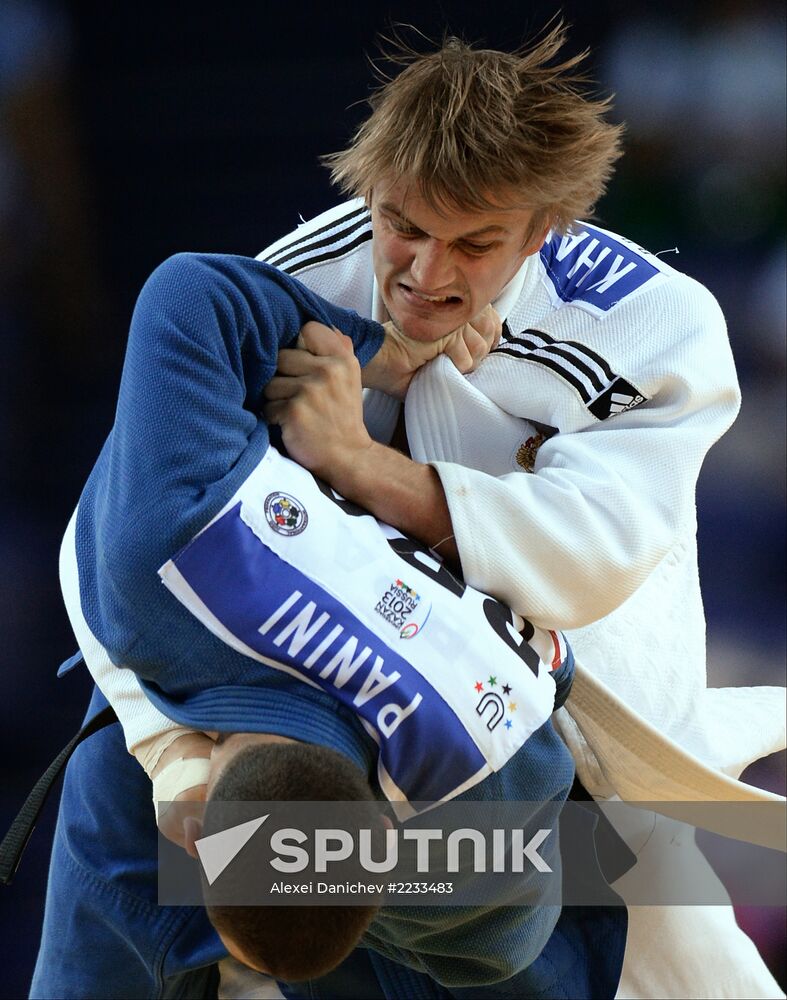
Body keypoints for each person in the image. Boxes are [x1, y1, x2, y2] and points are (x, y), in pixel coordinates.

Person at [31, 21, 785, 1000]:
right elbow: (111, 525)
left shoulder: (651, 320)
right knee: (116, 792)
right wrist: (175, 758)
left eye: (473, 244)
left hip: (569, 746)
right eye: (405, 226)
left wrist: (355, 460)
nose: (425, 273)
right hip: (322, 714)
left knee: (533, 902)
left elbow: (591, 556)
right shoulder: (299, 275)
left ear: (545, 228)